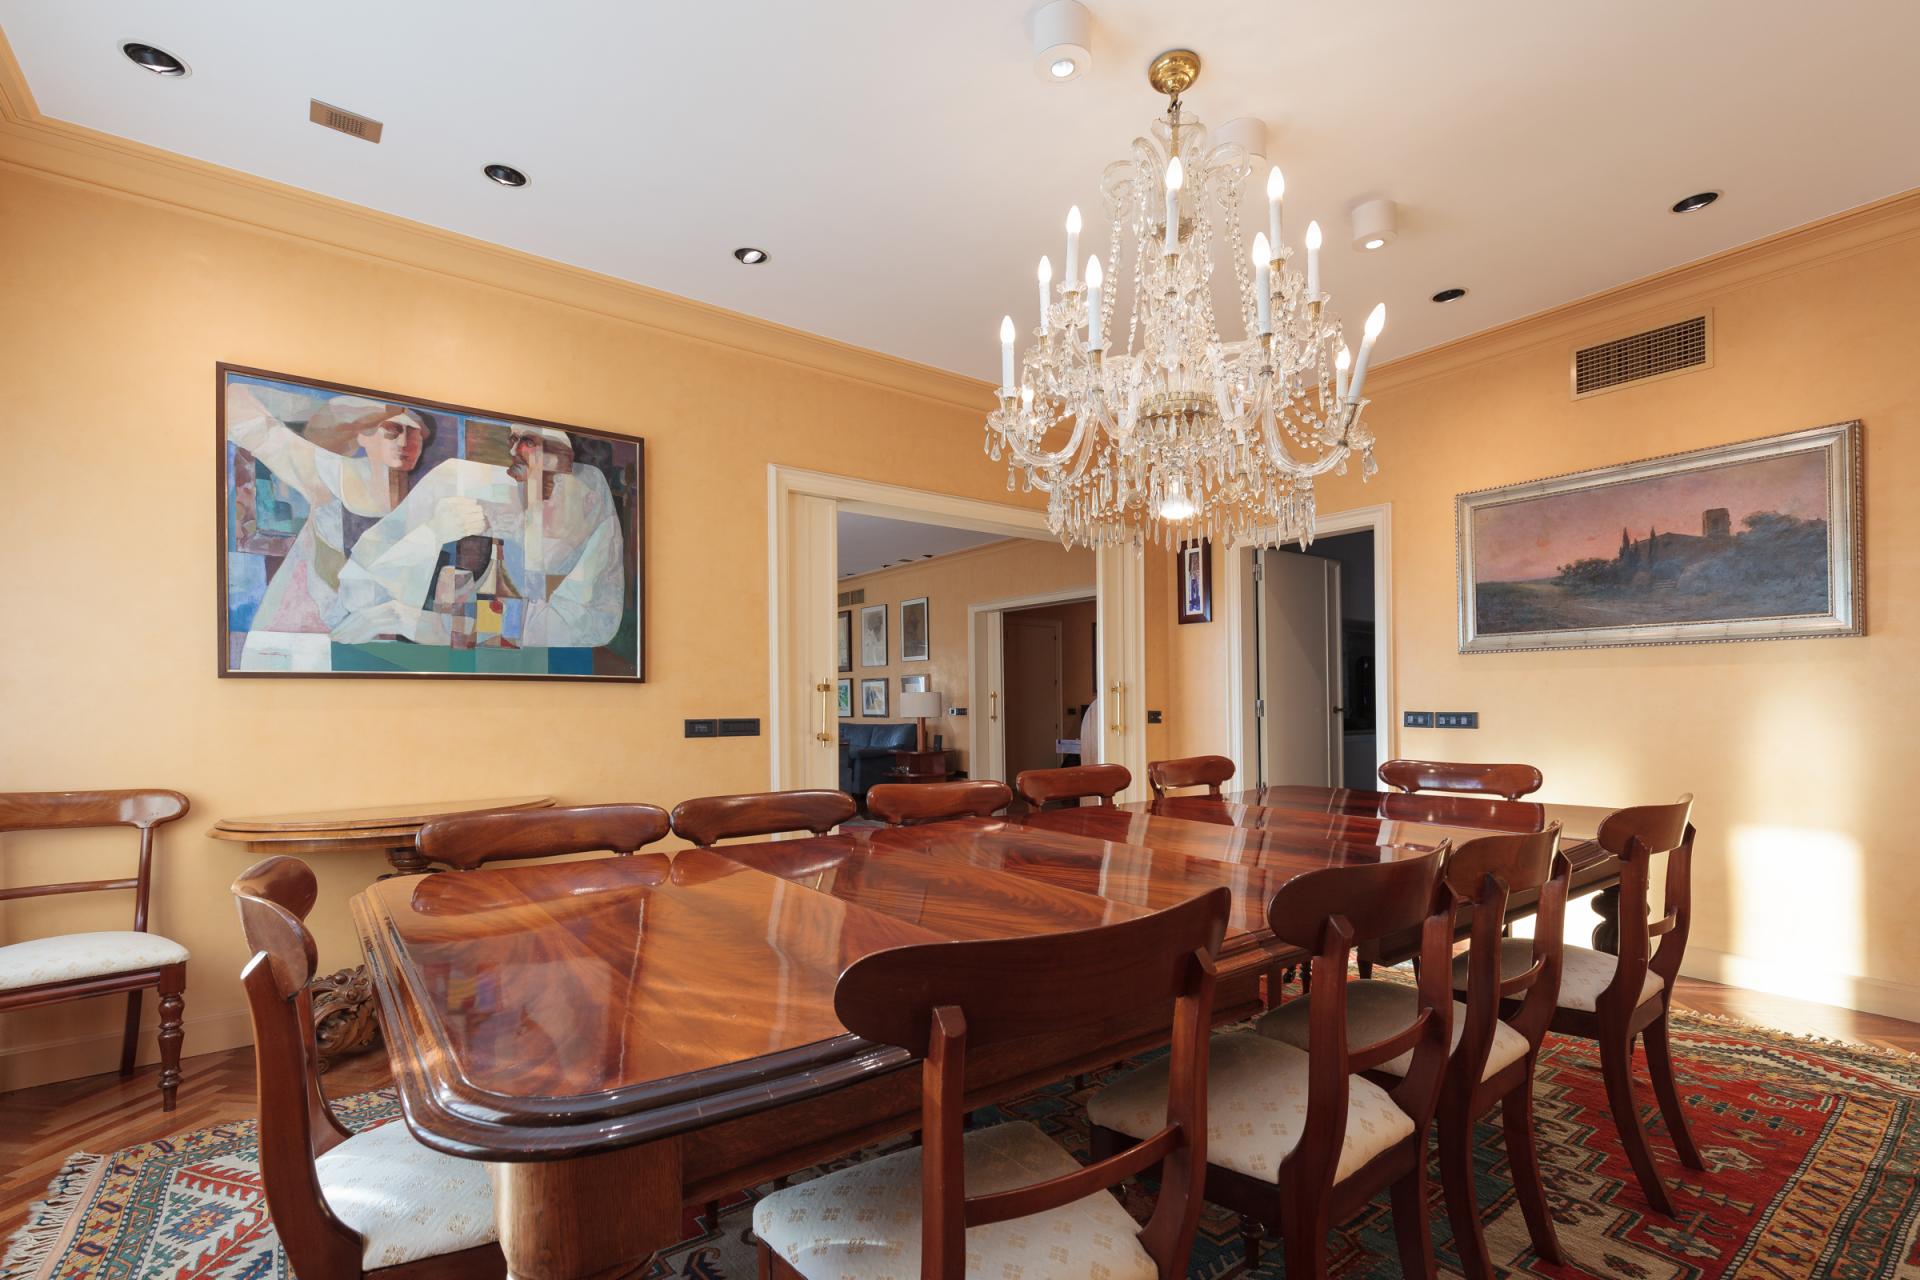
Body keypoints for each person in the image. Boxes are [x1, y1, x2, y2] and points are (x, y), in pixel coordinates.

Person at [334, 425, 624, 649]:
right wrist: (431, 534)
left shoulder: (594, 507)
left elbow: (583, 627)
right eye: (515, 441)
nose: (516, 451)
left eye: (528, 442)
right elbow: (359, 588)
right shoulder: (460, 483)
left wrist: (417, 622)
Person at [225, 381, 431, 671]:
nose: (404, 442)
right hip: (296, 633)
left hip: (363, 642)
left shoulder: (418, 504)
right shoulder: (331, 473)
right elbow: (240, 410)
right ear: (363, 436)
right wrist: (329, 410)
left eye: (415, 434)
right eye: (392, 431)